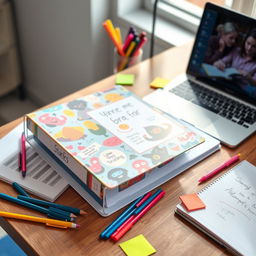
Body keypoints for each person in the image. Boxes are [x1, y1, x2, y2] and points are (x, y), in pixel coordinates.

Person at [214, 29, 256, 96]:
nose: (249, 48)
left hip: (240, 90)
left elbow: (254, 83)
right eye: (248, 43)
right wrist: (219, 64)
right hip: (225, 82)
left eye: (254, 46)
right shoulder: (236, 51)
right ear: (245, 41)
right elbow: (221, 61)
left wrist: (248, 77)